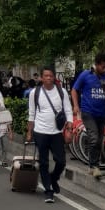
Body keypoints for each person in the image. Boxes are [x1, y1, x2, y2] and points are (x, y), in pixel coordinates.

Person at [27, 67, 74, 202]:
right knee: (43, 162)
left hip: (57, 133)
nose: (48, 78)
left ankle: (54, 179)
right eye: (46, 76)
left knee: (61, 161)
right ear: (41, 78)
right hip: (40, 132)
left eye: (51, 76)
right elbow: (31, 113)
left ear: (54, 78)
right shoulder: (34, 93)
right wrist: (29, 132)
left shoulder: (61, 91)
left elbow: (68, 110)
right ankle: (48, 190)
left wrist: (70, 128)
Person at [71, 52, 105, 178]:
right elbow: (74, 90)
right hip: (88, 112)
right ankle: (94, 166)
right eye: (104, 66)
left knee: (100, 141)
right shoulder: (85, 74)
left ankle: (93, 166)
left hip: (102, 113)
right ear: (97, 64)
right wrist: (76, 105)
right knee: (94, 139)